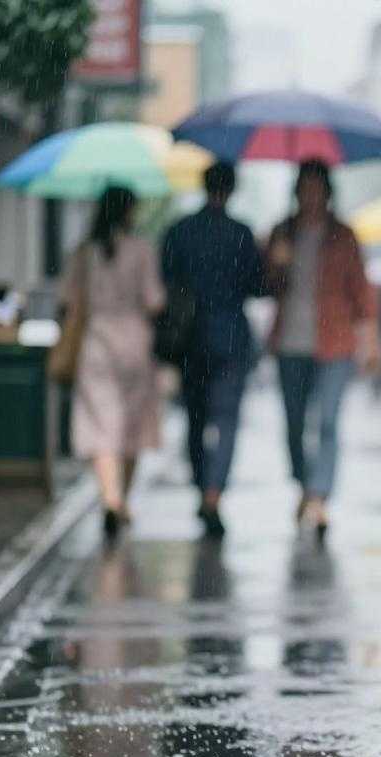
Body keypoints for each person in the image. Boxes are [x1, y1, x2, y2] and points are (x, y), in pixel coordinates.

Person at [265, 159, 380, 538]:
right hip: (290, 343)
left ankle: (318, 497)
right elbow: (265, 286)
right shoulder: (282, 232)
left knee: (328, 421)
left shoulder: (343, 236)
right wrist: (276, 265)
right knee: (294, 425)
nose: (311, 196)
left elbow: (361, 292)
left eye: (317, 188)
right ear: (296, 191)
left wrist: (370, 340)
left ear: (328, 192)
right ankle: (304, 483)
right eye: (305, 188)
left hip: (336, 343)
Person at [161, 161, 264, 539]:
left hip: (190, 340)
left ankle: (202, 484)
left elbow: (166, 282)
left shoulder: (180, 231)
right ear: (232, 189)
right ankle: (214, 492)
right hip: (231, 339)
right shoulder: (241, 234)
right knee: (227, 421)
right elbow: (257, 286)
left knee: (195, 419)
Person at [62, 186, 165, 540]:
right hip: (135, 345)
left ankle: (110, 497)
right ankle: (123, 500)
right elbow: (154, 300)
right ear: (128, 212)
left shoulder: (85, 252)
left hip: (96, 344)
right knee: (132, 426)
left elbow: (69, 300)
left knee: (100, 424)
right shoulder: (141, 249)